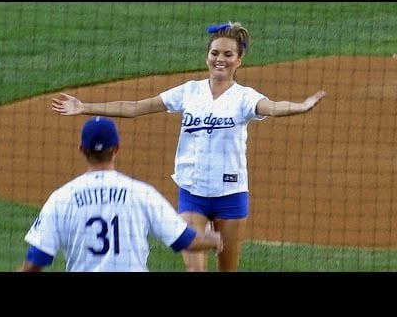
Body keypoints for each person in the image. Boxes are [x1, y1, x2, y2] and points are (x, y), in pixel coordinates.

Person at [51, 21, 326, 272]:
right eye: (215, 53)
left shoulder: (244, 98)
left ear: (239, 60)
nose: (220, 59)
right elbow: (135, 107)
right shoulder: (188, 91)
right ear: (207, 56)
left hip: (231, 196)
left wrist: (300, 107)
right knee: (195, 270)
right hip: (192, 193)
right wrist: (84, 106)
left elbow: (273, 107)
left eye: (228, 55)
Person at [17, 116, 223, 272]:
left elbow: (37, 258)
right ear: (116, 148)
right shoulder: (142, 194)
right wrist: (213, 239)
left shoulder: (61, 198)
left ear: (82, 149)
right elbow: (185, 241)